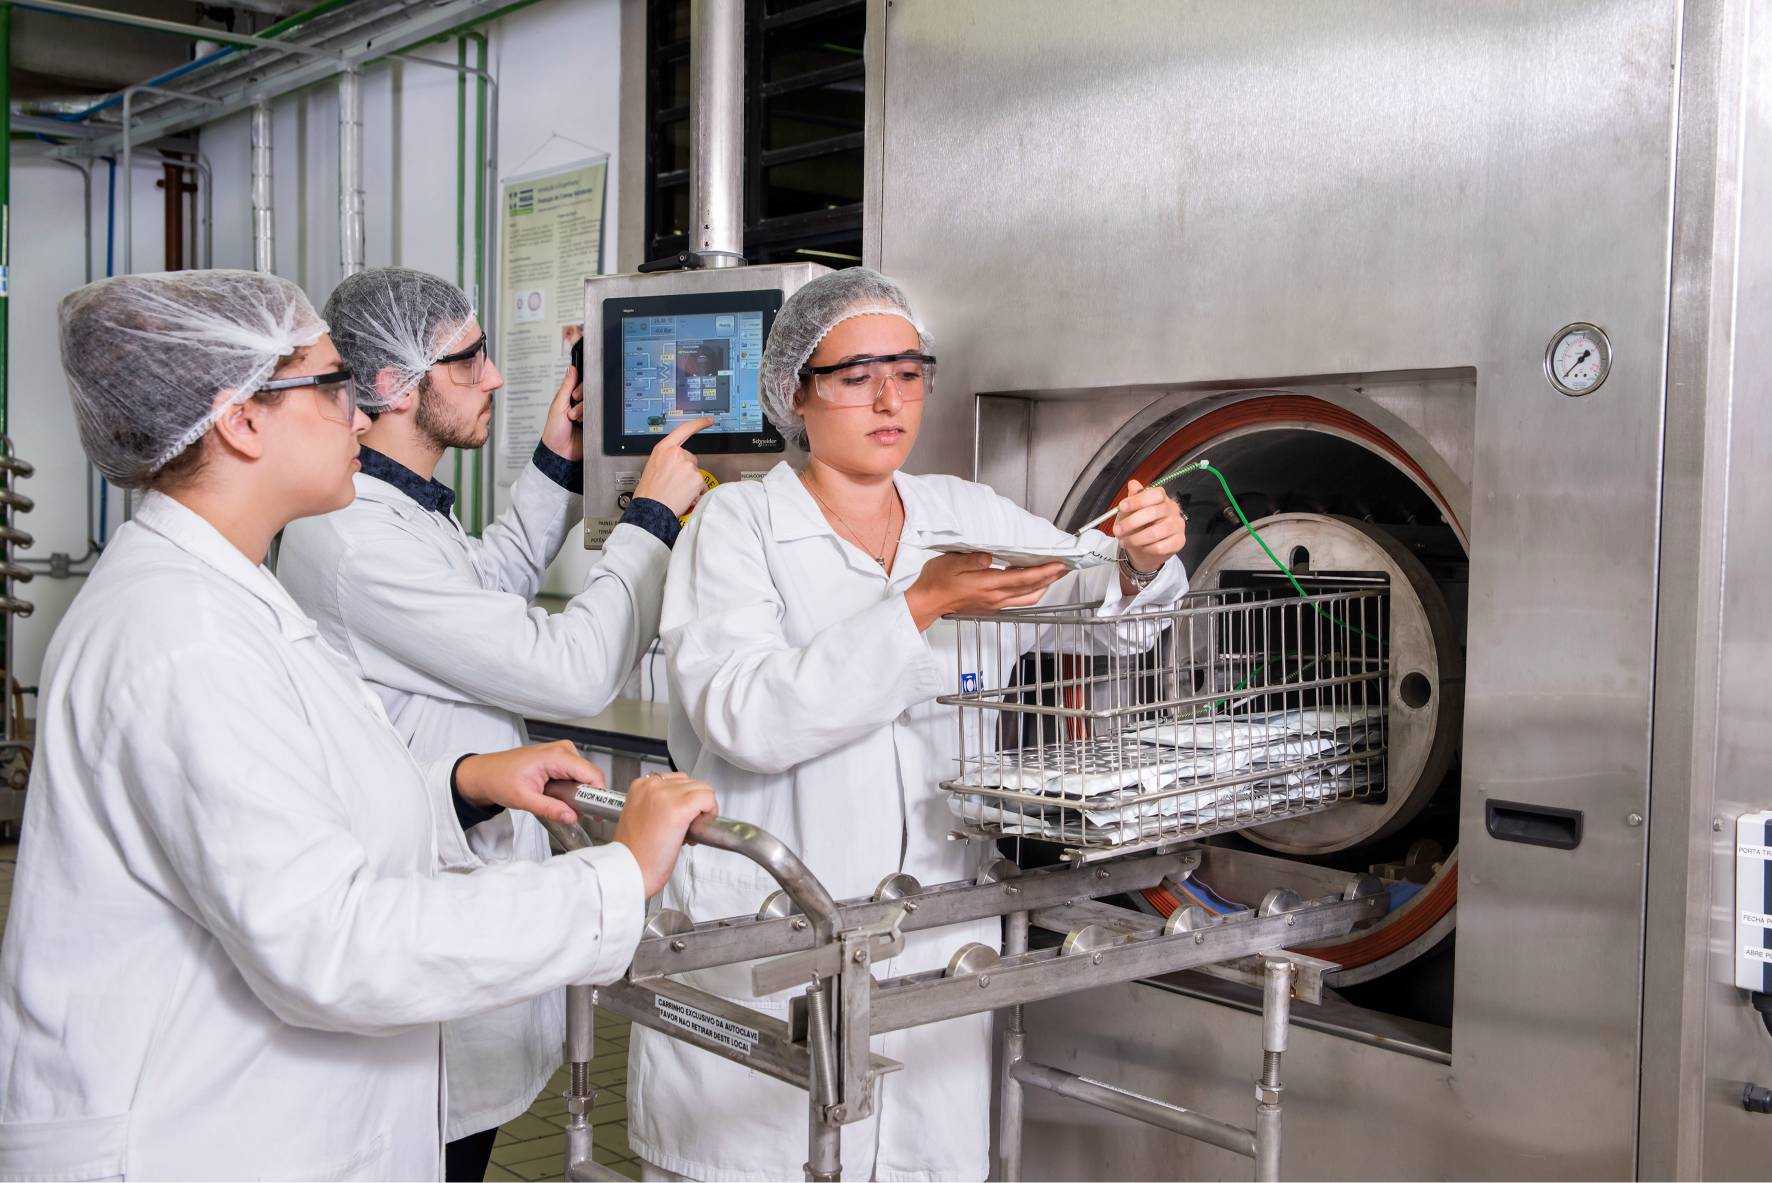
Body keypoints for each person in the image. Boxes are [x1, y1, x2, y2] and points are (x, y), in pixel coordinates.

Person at [0, 270, 715, 1181]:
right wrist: (615, 876)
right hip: (189, 1136)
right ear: (239, 421)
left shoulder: (224, 595)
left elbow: (298, 805)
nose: (358, 415)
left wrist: (458, 786)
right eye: (333, 384)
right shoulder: (184, 638)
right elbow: (334, 939)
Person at [628, 267, 1190, 1181]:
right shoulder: (736, 525)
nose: (890, 399)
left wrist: (1140, 557)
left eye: (908, 371)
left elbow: (1104, 605)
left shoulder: (963, 513)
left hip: (933, 939)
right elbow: (746, 715)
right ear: (795, 394)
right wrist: (920, 605)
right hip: (777, 943)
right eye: (857, 377)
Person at [274, 267, 709, 1179]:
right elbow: (570, 668)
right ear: (393, 385)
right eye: (469, 359)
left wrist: (557, 457)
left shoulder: (398, 511)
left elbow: (484, 587)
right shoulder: (356, 540)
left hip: (453, 890)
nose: (495, 377)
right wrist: (652, 519)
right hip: (424, 912)